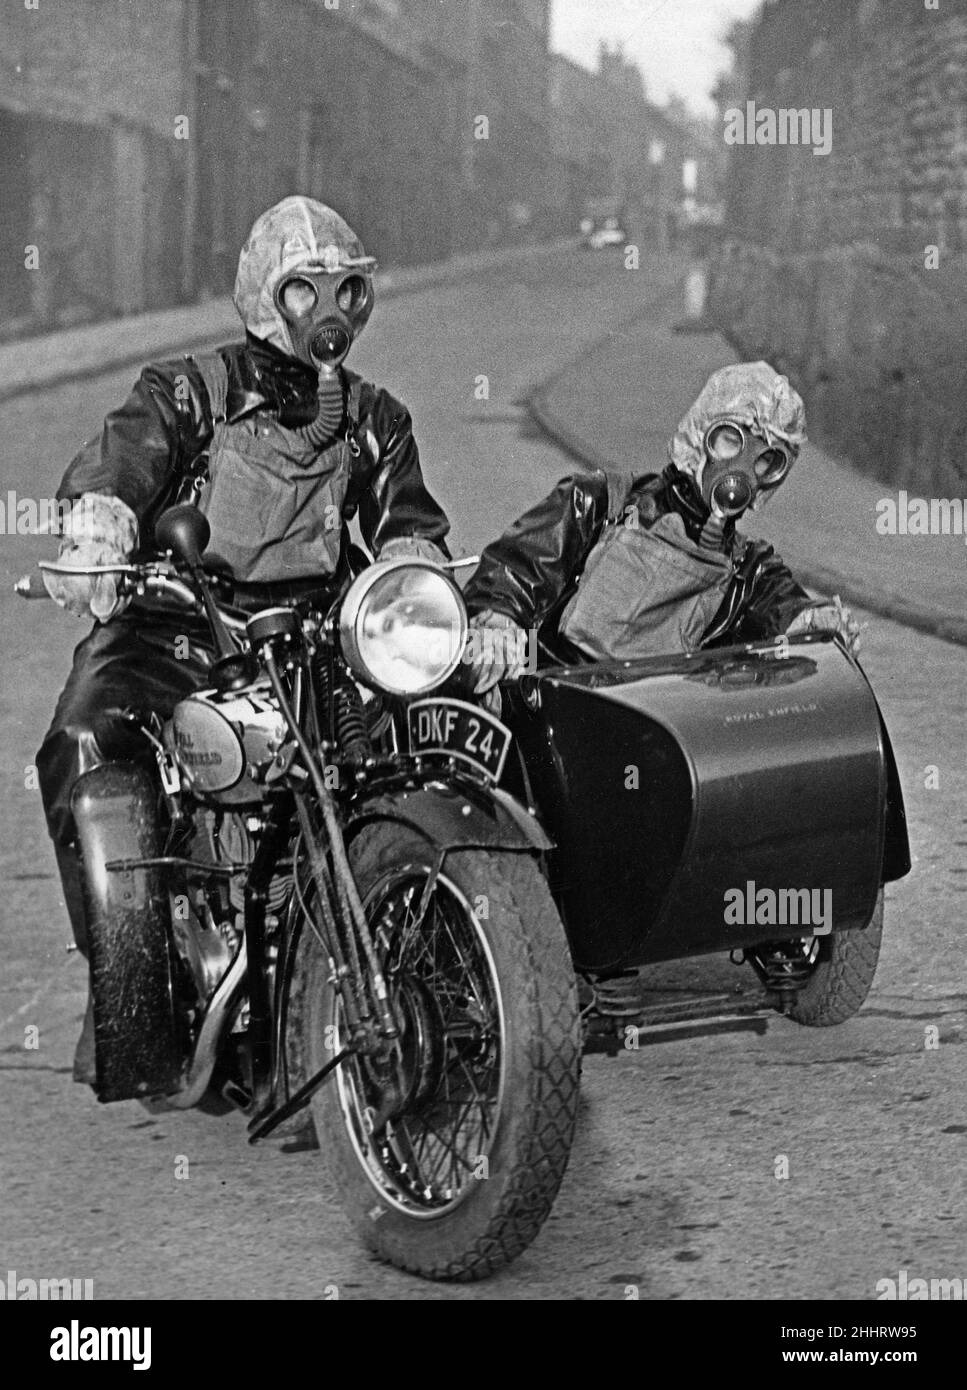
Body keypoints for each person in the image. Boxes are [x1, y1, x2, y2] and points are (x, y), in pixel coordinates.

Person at [37, 196, 450, 1083]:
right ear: (267, 296)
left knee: (429, 741)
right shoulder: (188, 390)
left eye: (349, 291)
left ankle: (452, 945)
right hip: (177, 622)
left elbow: (409, 528)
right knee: (80, 741)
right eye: (308, 292)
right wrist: (102, 528)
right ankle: (130, 984)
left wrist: (429, 579)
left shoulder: (375, 419)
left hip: (313, 637)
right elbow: (123, 457)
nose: (333, 313)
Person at [465, 361, 859, 689]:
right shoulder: (597, 504)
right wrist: (498, 622)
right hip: (554, 712)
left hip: (660, 738)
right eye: (731, 441)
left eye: (766, 461)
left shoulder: (749, 574)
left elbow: (787, 610)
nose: (742, 470)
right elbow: (514, 571)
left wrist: (813, 623)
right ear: (700, 434)